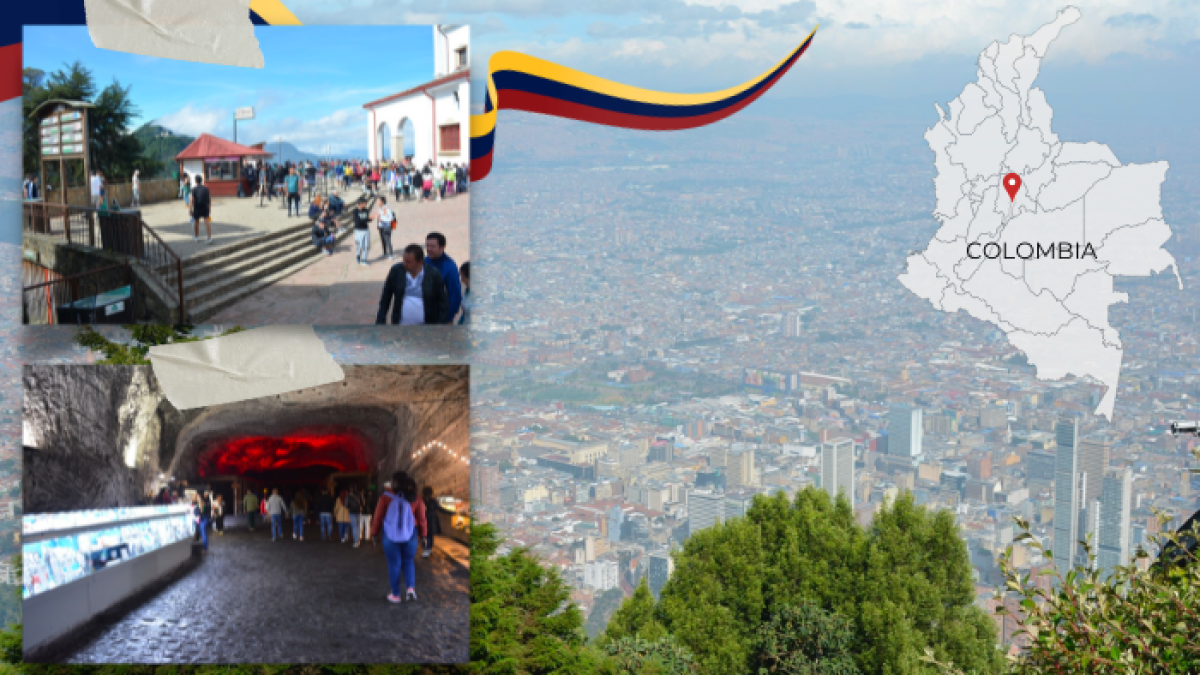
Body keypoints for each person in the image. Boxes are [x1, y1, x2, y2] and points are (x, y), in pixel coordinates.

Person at [372, 472, 426, 602]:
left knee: (394, 564)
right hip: (411, 533)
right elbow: (422, 518)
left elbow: (378, 518)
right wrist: (424, 536)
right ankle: (410, 589)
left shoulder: (385, 497)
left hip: (390, 535)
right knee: (408, 561)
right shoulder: (416, 497)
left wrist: (374, 533)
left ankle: (395, 595)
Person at [376, 244, 449, 325]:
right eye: (404, 260)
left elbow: (443, 302)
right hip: (401, 325)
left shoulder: (433, 274)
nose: (404, 264)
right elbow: (386, 297)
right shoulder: (396, 271)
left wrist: (441, 324)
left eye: (408, 262)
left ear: (420, 261)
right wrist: (380, 320)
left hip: (426, 327)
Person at [425, 232, 462, 323]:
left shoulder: (450, 267)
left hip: (439, 318)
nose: (429, 249)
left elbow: (455, 295)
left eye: (432, 246)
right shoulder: (424, 261)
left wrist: (449, 319)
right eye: (427, 246)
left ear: (442, 247)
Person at [191, 175, 213, 244]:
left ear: (195, 181)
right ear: (201, 181)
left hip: (197, 208)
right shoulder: (206, 188)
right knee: (207, 223)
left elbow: (192, 200)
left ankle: (196, 237)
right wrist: (209, 208)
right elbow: (209, 199)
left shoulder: (194, 189)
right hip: (205, 207)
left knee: (196, 223)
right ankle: (209, 238)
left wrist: (190, 210)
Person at [421, 486, 441, 557]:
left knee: (425, 535)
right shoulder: (434, 501)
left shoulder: (421, 500)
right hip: (432, 520)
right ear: (431, 493)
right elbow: (440, 509)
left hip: (424, 519)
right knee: (430, 535)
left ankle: (426, 550)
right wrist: (452, 512)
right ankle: (429, 549)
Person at [352, 197, 372, 266]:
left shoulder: (366, 210)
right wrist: (367, 218)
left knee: (366, 246)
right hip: (358, 231)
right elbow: (357, 221)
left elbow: (368, 220)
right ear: (360, 203)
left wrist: (370, 218)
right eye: (364, 203)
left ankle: (364, 260)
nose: (366, 205)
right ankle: (358, 255)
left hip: (366, 230)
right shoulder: (355, 211)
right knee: (360, 245)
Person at [376, 196, 396, 261]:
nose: (377, 202)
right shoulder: (381, 208)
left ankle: (390, 255)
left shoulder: (387, 209)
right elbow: (379, 217)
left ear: (382, 202)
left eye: (378, 201)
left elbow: (390, 218)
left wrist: (382, 219)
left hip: (387, 226)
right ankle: (385, 253)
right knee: (383, 240)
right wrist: (378, 225)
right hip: (381, 226)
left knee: (387, 240)